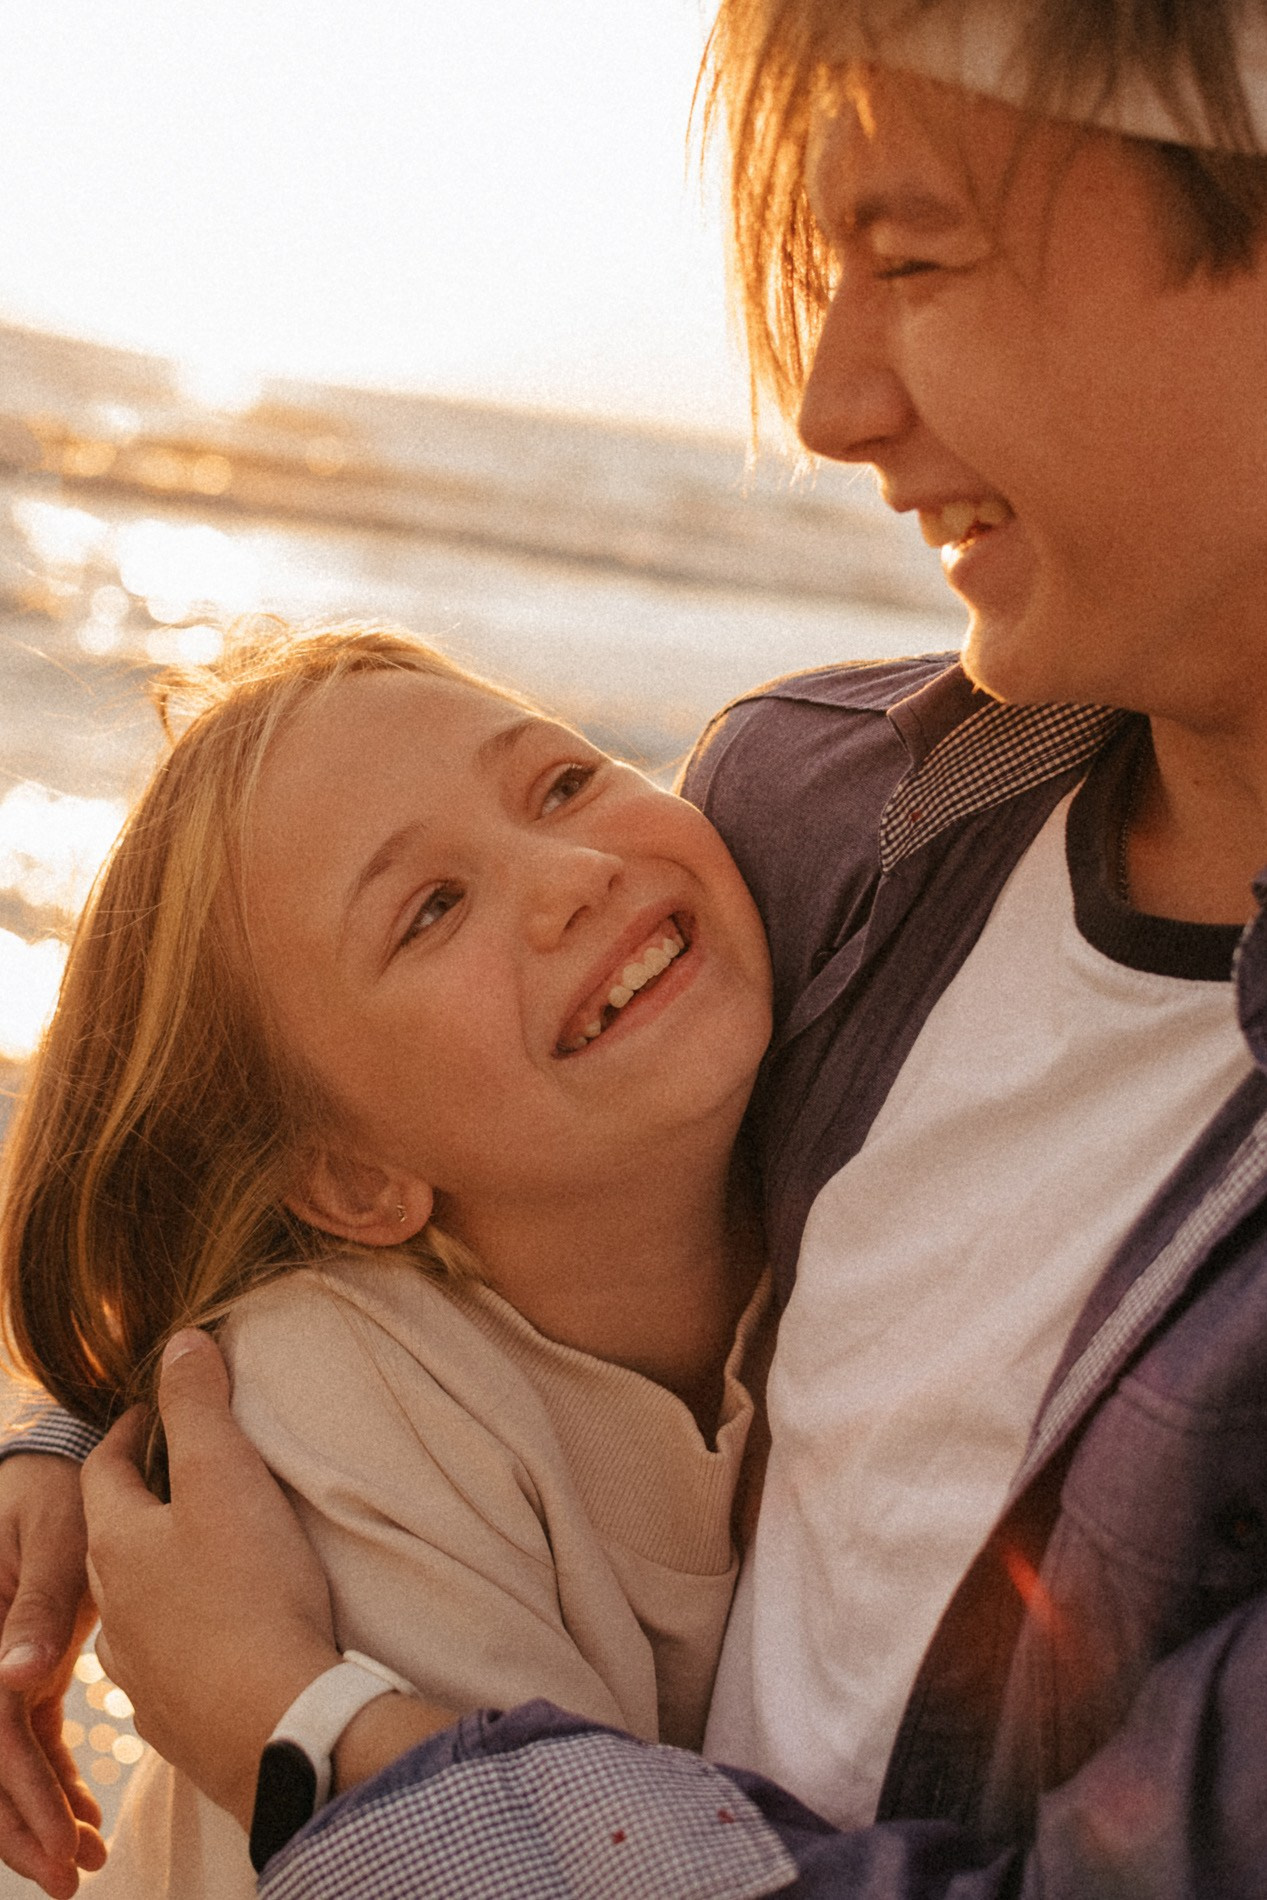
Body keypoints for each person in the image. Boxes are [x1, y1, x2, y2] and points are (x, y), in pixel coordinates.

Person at [7, 0, 1267, 1891]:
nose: (832, 406)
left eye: (914, 255)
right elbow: (319, 1138)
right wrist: (86, 1451)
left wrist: (316, 1737)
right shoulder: (822, 815)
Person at [0, 619, 775, 1897]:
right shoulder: (335, 1403)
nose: (573, 870)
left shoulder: (835, 1175)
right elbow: (531, 1858)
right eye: (430, 908)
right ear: (355, 1179)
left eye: (564, 781)